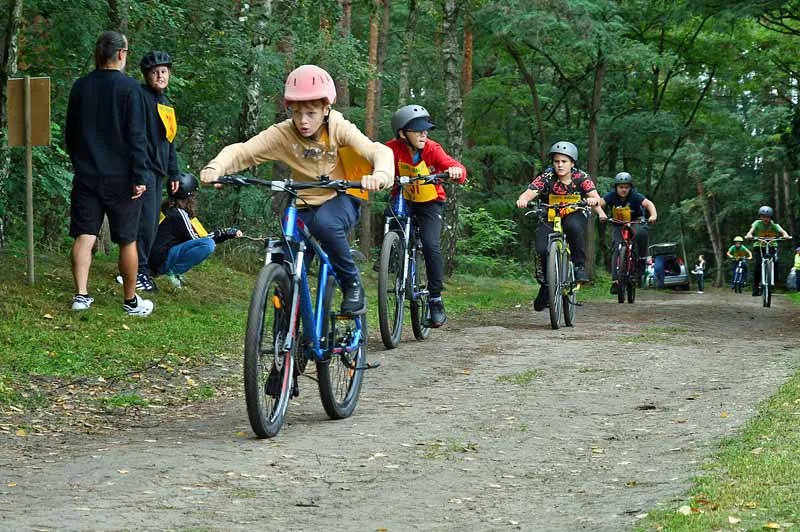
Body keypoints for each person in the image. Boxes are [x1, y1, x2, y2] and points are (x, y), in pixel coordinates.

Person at [199, 64, 394, 314]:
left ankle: (351, 283)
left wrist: (379, 174)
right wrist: (216, 167)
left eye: (311, 113)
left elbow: (378, 151)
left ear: (326, 109)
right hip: (302, 202)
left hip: (340, 197)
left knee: (325, 223)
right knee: (287, 259)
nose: (303, 121)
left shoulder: (338, 127)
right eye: (296, 112)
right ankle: (288, 332)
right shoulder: (284, 134)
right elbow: (243, 151)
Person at [65, 30, 153, 317]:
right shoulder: (130, 89)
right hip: (123, 178)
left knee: (85, 234)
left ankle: (81, 295)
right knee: (128, 239)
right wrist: (140, 177)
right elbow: (137, 137)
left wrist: (80, 162)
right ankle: (130, 301)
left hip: (87, 174)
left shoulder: (80, 87)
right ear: (120, 54)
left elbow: (71, 134)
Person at [384, 104, 466, 327]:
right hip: (404, 199)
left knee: (431, 245)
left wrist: (456, 171)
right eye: (417, 130)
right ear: (402, 133)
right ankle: (391, 255)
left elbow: (453, 165)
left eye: (425, 130)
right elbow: (375, 163)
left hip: (430, 202)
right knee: (390, 216)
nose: (424, 134)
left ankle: (435, 299)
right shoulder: (390, 149)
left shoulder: (431, 149)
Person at [515, 141, 605, 311]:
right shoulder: (546, 177)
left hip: (574, 212)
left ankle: (578, 267)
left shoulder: (581, 177)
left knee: (573, 228)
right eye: (557, 161)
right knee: (541, 248)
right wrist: (523, 200)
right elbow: (530, 192)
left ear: (572, 163)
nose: (560, 165)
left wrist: (596, 204)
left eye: (564, 161)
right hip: (550, 214)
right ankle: (546, 286)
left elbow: (595, 197)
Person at [125, 51, 181, 292]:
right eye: (155, 72)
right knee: (144, 225)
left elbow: (170, 141)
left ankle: (140, 270)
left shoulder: (166, 103)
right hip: (143, 169)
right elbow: (134, 136)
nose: (160, 76)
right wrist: (138, 173)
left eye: (164, 72)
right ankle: (138, 272)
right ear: (147, 75)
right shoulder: (139, 96)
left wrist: (175, 173)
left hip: (158, 172)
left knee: (151, 224)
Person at [148, 173, 241, 287]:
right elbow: (198, 239)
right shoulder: (179, 214)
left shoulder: (165, 208)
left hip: (149, 260)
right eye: (194, 195)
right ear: (189, 196)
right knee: (208, 245)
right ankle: (172, 273)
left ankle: (162, 271)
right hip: (158, 262)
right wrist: (225, 233)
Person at [597, 171, 658, 294]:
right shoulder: (611, 196)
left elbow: (649, 204)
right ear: (616, 188)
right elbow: (598, 203)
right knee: (616, 248)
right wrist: (601, 213)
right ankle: (615, 281)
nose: (623, 190)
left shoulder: (635, 196)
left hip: (635, 221)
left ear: (630, 188)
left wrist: (653, 215)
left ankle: (641, 259)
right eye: (621, 187)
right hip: (618, 224)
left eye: (626, 187)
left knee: (641, 233)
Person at [744, 206, 791, 297]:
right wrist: (749, 235)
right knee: (758, 265)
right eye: (763, 216)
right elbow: (751, 231)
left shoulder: (774, 225)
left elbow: (782, 231)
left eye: (768, 217)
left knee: (775, 263)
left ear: (770, 217)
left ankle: (770, 282)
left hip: (772, 246)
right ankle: (756, 286)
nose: (765, 218)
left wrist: (785, 235)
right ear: (760, 217)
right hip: (760, 246)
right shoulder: (757, 224)